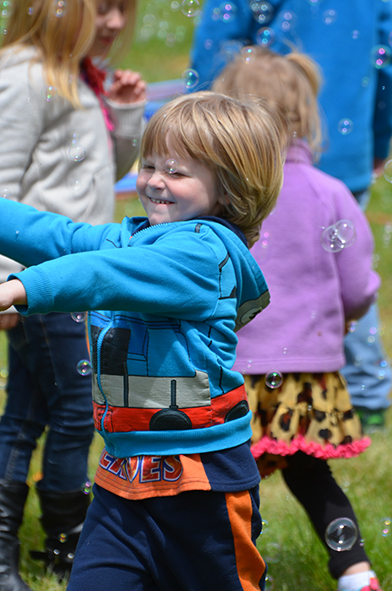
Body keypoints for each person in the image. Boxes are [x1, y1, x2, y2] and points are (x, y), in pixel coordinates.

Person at [0, 90, 287, 591]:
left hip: (203, 484)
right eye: (149, 164)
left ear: (228, 189)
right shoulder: (137, 239)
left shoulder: (203, 257)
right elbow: (61, 237)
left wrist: (22, 288)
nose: (154, 180)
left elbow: (103, 272)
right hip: (121, 479)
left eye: (177, 172)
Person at [212, 46, 383, 591]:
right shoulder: (331, 192)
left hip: (231, 370)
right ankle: (356, 574)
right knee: (313, 475)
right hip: (306, 374)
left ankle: (232, 572)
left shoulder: (225, 195)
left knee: (226, 484)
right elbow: (358, 285)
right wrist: (347, 320)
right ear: (306, 114)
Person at [189, 0, 392, 431]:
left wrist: (198, 137)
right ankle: (370, 391)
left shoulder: (224, 188)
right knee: (330, 264)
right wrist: (379, 136)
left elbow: (216, 41)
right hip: (346, 147)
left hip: (242, 160)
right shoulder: (330, 191)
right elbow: (386, 57)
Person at [0, 0, 146, 588]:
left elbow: (95, 174)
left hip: (70, 278)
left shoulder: (78, 76)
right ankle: (64, 541)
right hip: (43, 281)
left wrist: (125, 117)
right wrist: (7, 282)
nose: (114, 23)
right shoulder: (26, 76)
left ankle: (19, 548)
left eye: (122, 11)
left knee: (29, 411)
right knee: (71, 412)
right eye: (102, 8)